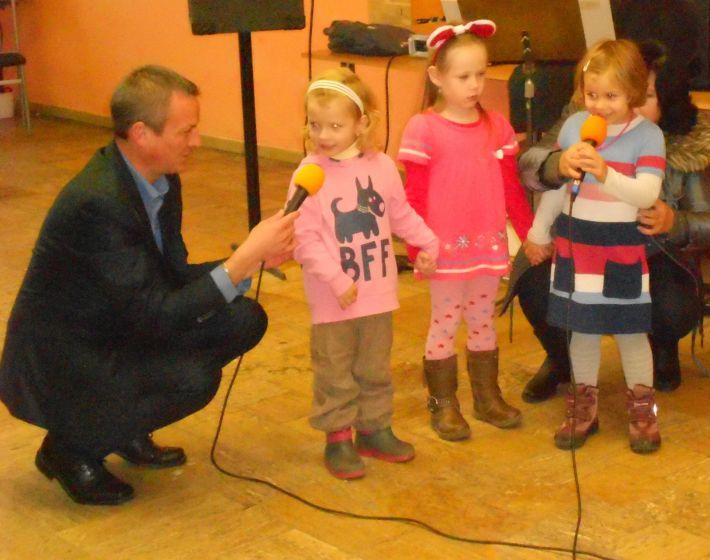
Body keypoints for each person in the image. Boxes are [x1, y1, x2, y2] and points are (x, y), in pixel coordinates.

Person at [0, 65, 296, 506]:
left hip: (120, 323)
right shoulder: (98, 202)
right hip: (66, 356)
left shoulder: (160, 178)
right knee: (193, 379)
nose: (197, 141)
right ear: (141, 133)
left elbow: (169, 275)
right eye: (186, 131)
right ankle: (69, 447)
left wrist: (251, 261)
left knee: (244, 318)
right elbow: (158, 313)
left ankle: (124, 426)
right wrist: (239, 263)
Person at [509, 42, 710, 401]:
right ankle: (561, 358)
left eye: (646, 96)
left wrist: (675, 221)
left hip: (650, 255)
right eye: (597, 94)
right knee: (535, 284)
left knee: (668, 307)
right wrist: (557, 166)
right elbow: (531, 167)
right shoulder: (582, 122)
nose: (626, 105)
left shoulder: (679, 139)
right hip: (580, 243)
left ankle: (661, 351)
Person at [290, 69, 439, 480]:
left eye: (335, 126)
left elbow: (399, 214)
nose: (323, 135)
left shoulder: (382, 167)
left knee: (375, 367)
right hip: (332, 297)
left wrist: (428, 243)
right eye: (315, 124)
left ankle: (374, 429)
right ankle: (338, 437)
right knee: (335, 369)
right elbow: (303, 240)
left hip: (377, 292)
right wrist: (337, 280)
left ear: (361, 123)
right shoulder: (308, 174)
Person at [521, 39, 666, 454]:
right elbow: (558, 187)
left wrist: (605, 173)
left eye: (611, 96)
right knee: (580, 330)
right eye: (592, 95)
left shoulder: (648, 136)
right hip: (577, 245)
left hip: (620, 249)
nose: (599, 106)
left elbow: (646, 193)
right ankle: (584, 406)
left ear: (634, 92)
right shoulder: (574, 128)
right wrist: (539, 231)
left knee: (630, 331)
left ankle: (642, 410)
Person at [398, 19, 534, 441]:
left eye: (481, 74)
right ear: (437, 77)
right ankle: (443, 402)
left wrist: (529, 233)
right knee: (444, 321)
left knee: (482, 319)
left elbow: (511, 188)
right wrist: (417, 245)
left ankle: (486, 396)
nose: (475, 85)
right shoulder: (424, 128)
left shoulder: (497, 125)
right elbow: (414, 195)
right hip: (443, 249)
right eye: (463, 76)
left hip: (487, 244)